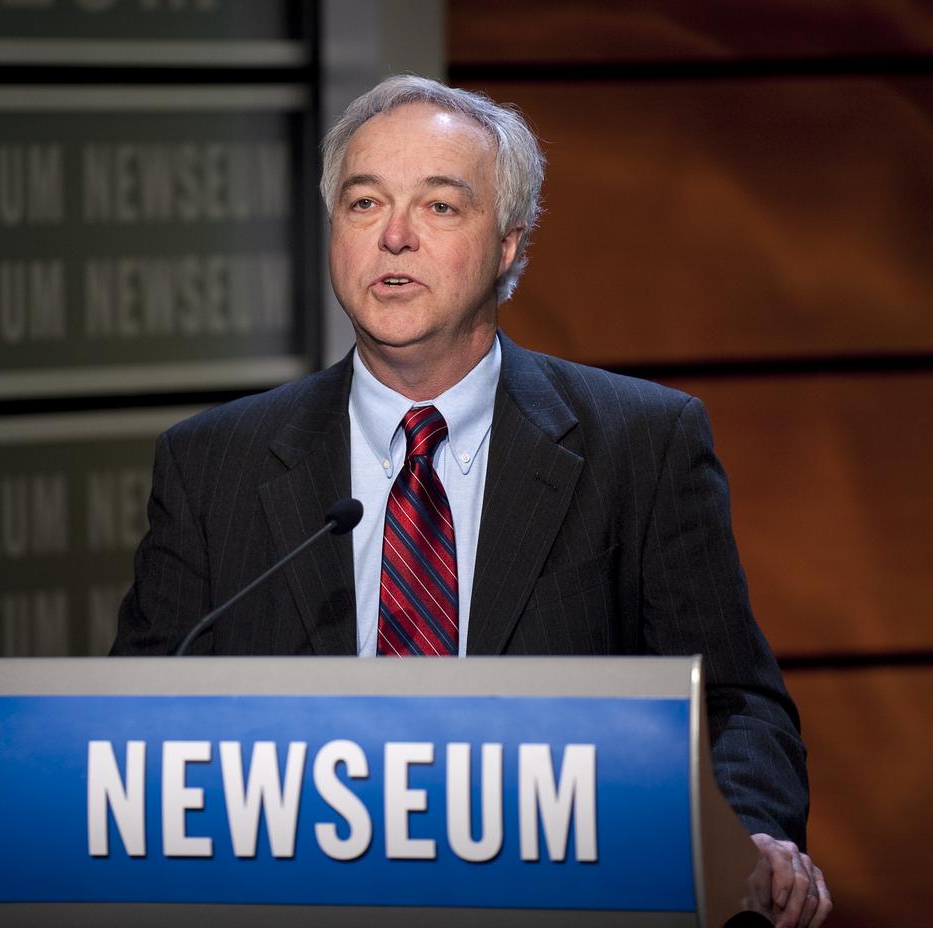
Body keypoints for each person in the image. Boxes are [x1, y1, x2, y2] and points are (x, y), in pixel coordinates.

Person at [111, 74, 830, 927]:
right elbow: (135, 737)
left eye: (441, 208)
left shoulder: (641, 443)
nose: (396, 237)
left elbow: (737, 705)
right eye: (364, 202)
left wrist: (743, 839)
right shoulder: (211, 464)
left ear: (509, 245)